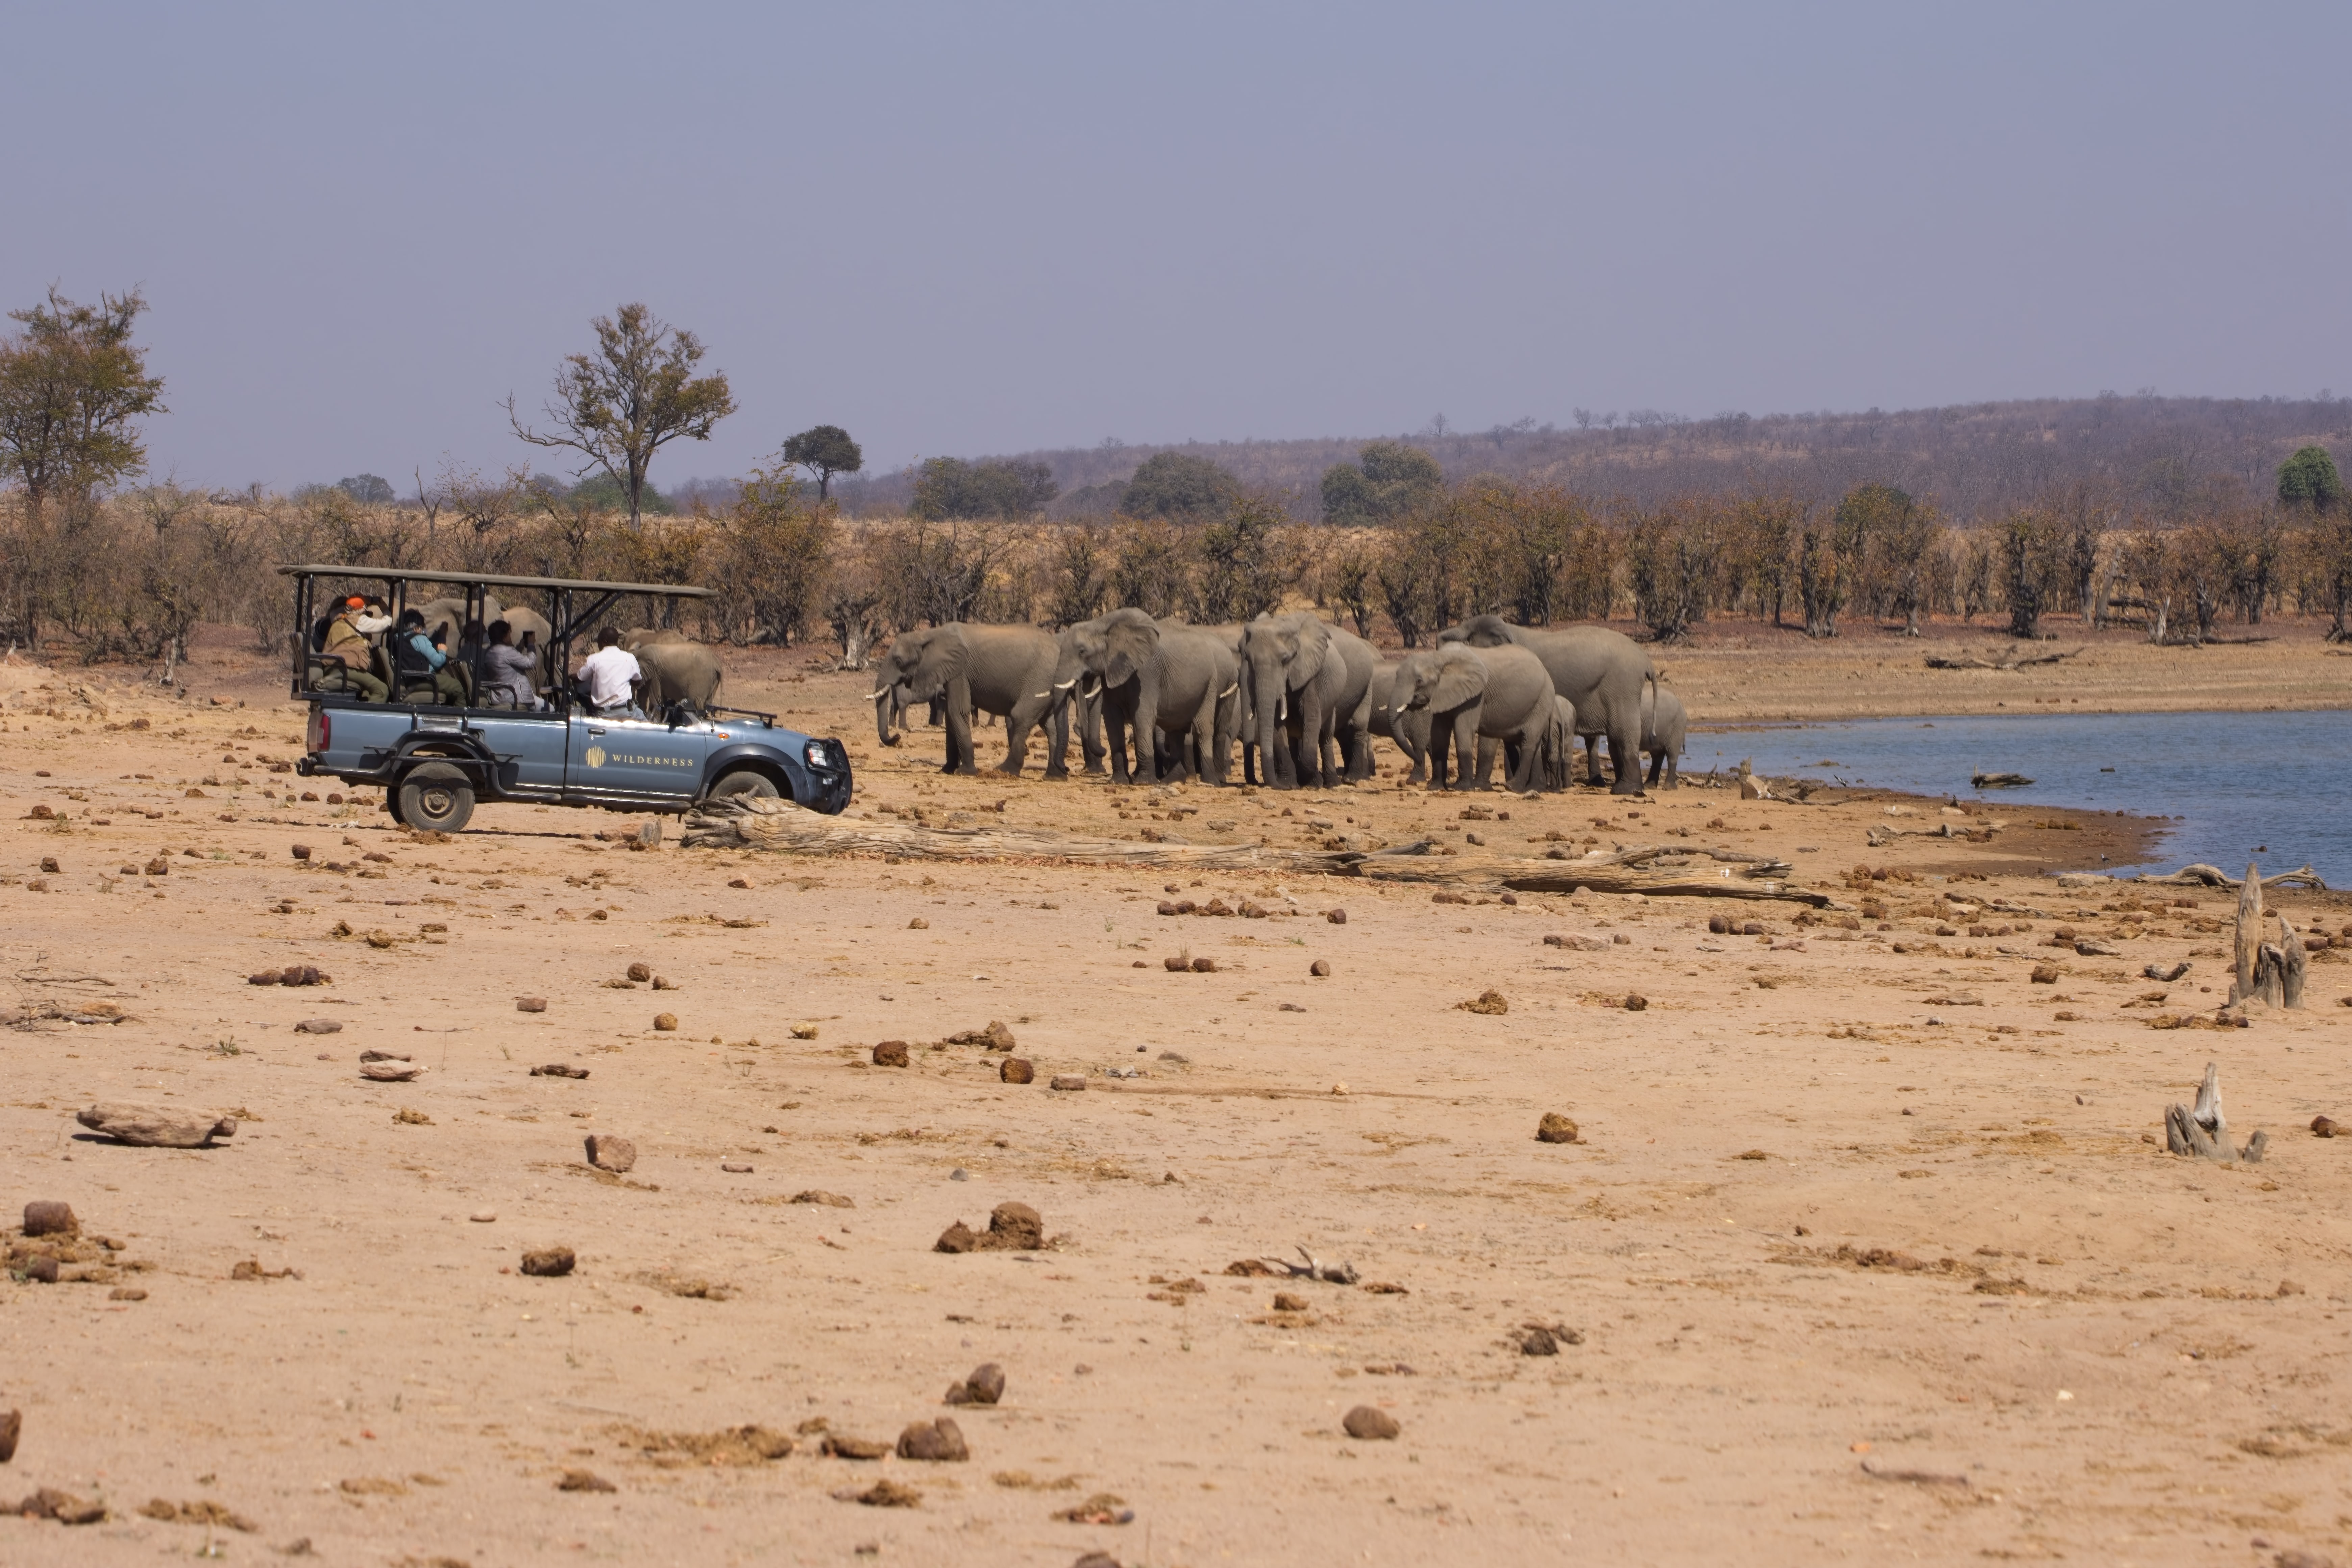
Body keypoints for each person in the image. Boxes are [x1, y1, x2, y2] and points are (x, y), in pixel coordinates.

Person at [390, 608, 468, 705]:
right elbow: (438, 662)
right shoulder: (418, 638)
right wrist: (442, 651)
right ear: (416, 628)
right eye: (422, 628)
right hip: (422, 679)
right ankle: (460, 717)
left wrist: (440, 636)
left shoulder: (398, 640)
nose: (423, 631)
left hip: (408, 679)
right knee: (458, 688)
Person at [316, 596, 389, 701]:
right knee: (382, 690)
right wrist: (385, 608)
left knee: (368, 691)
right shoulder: (357, 620)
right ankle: (367, 718)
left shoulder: (337, 621)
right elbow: (385, 623)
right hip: (345, 669)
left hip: (334, 667)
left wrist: (361, 600)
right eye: (364, 610)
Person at [576, 626, 643, 717]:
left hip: (602, 714)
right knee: (651, 727)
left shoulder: (594, 659)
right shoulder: (630, 658)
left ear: (604, 642)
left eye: (598, 642)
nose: (598, 646)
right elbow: (637, 682)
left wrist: (571, 676)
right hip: (626, 713)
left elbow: (580, 679)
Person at [477, 620, 540, 709]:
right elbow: (530, 663)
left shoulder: (489, 652)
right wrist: (531, 644)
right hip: (516, 698)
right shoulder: (507, 651)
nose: (511, 638)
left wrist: (518, 649)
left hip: (501, 697)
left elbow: (505, 664)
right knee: (550, 708)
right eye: (509, 635)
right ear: (504, 637)